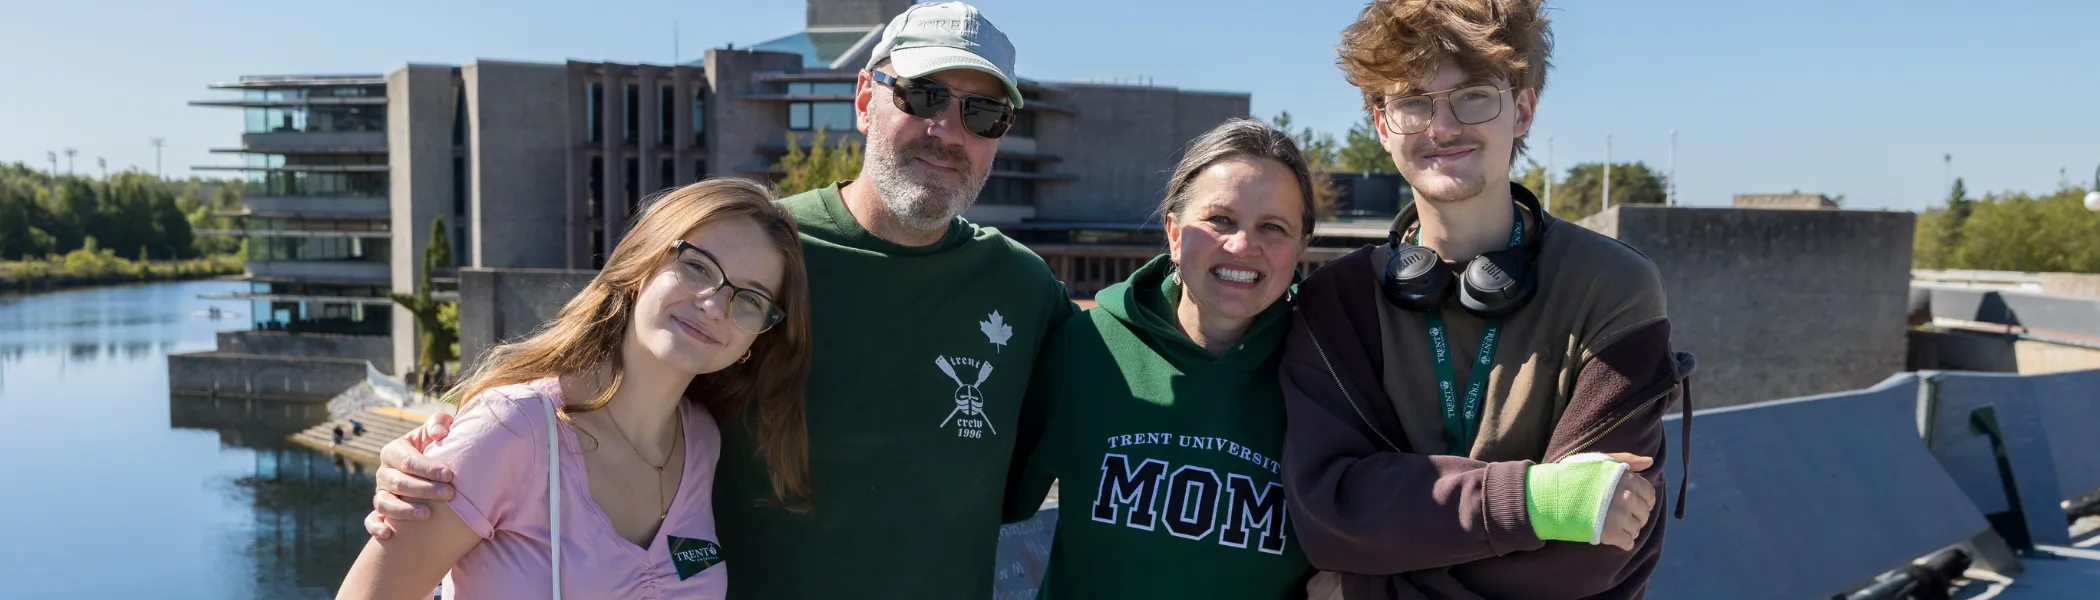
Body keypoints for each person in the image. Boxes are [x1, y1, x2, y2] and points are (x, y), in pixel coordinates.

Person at [360, 3, 1080, 598]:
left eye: (983, 114)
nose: (947, 130)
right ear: (865, 97)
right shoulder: (758, 251)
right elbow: (601, 361)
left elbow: (1128, 399)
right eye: (923, 96)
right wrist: (446, 449)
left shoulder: (1022, 288)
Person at [1279, 1, 1696, 598]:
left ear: (1523, 109)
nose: (1442, 127)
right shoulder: (1334, 302)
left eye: (1473, 95)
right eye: (1413, 102)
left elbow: (1595, 552)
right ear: (1381, 124)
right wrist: (1542, 503)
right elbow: (1333, 516)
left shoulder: (1612, 286)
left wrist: (1367, 589)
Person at [335, 178, 813, 599]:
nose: (714, 304)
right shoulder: (514, 429)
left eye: (749, 299)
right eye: (699, 267)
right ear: (641, 263)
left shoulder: (703, 441)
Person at [1001, 119, 1318, 598]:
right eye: (1220, 220)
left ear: (1300, 248)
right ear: (1174, 233)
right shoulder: (1084, 347)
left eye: (1273, 227)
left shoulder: (1328, 370)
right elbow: (980, 496)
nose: (1242, 245)